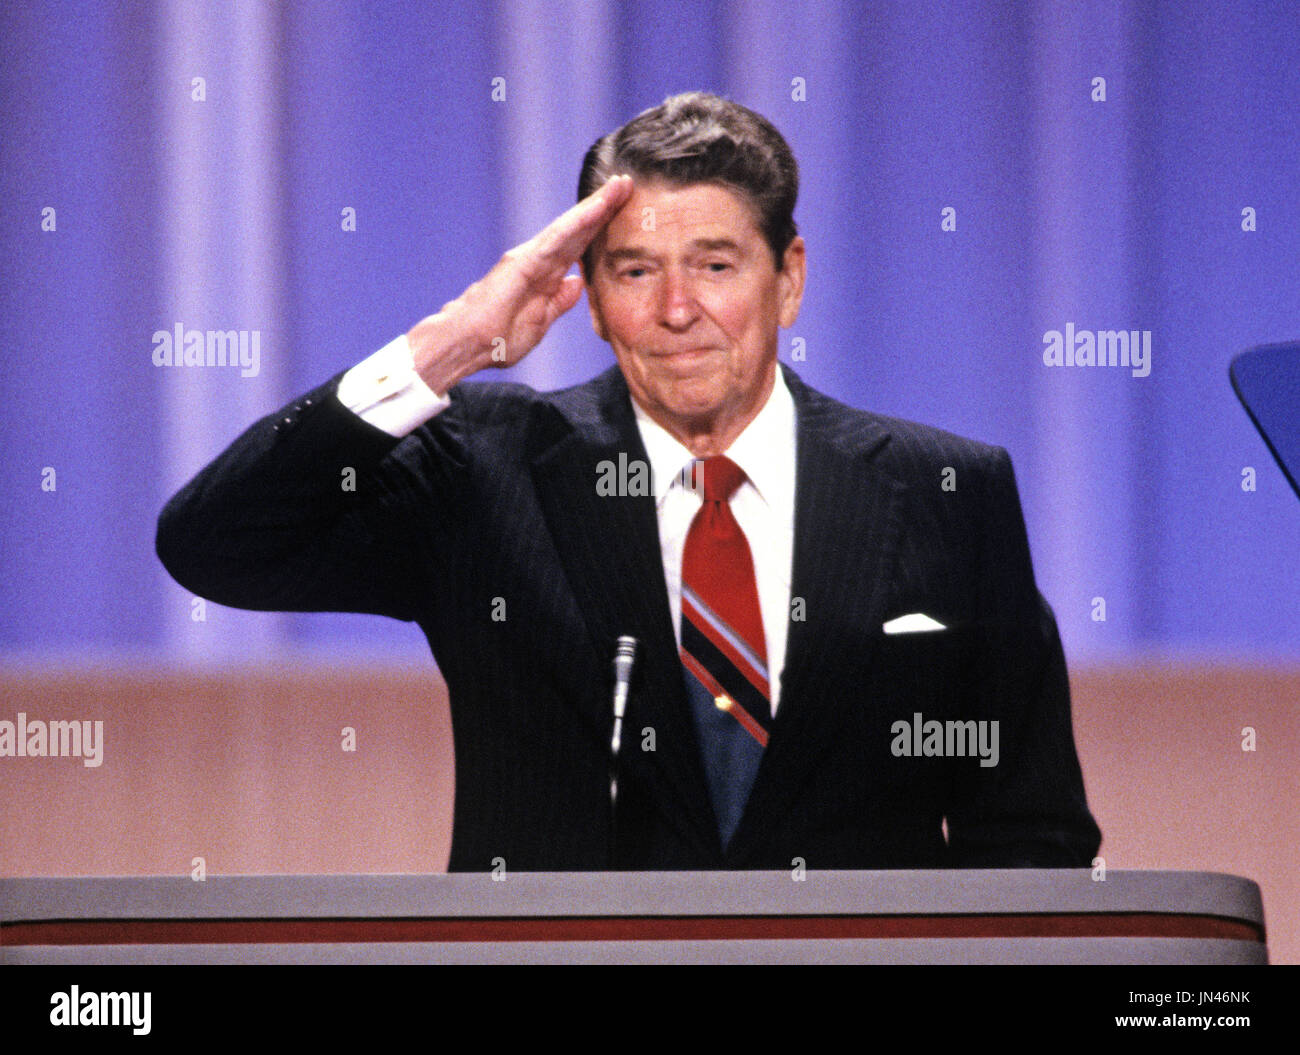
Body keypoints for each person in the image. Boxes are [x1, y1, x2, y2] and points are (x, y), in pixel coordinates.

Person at [157, 92, 1101, 871]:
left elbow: (1032, 838)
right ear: (594, 303)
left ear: (789, 280)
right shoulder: (489, 466)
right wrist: (447, 346)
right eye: (635, 270)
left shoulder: (948, 489)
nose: (678, 310)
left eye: (716, 266)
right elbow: (215, 541)